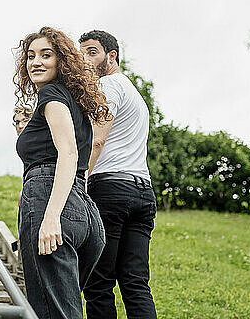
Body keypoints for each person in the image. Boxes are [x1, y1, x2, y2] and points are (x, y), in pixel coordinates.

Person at [14, 26, 109, 319]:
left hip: (51, 199)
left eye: (46, 55)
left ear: (62, 61)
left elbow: (68, 152)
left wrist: (51, 215)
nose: (36, 62)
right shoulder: (74, 102)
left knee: (52, 312)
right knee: (66, 310)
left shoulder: (52, 95)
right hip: (83, 210)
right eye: (30, 56)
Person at [80, 30, 157, 319]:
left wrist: (79, 180)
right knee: (135, 283)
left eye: (92, 52)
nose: (84, 60)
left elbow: (98, 139)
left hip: (111, 189)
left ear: (111, 56)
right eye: (82, 53)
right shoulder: (136, 96)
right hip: (143, 194)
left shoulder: (108, 85)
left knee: (98, 283)